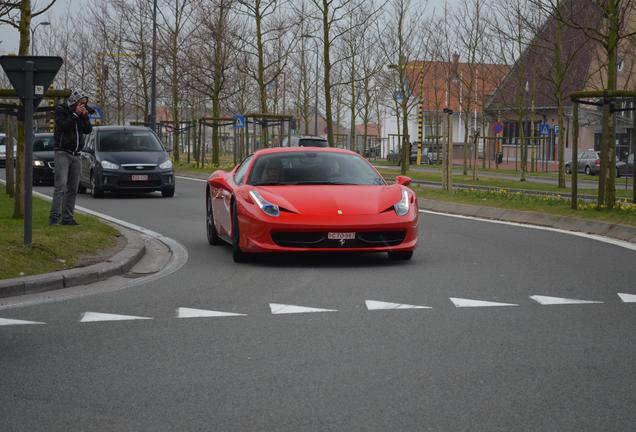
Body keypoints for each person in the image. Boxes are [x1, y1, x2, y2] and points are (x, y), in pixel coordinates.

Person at [49, 89, 93, 226]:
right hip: (63, 152)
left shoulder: (81, 113)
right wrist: (75, 114)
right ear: (74, 102)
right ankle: (54, 218)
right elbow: (64, 126)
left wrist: (85, 117)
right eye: (81, 103)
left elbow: (88, 130)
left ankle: (68, 218)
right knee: (60, 186)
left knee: (73, 188)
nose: (83, 106)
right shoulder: (61, 110)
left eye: (85, 104)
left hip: (76, 154)